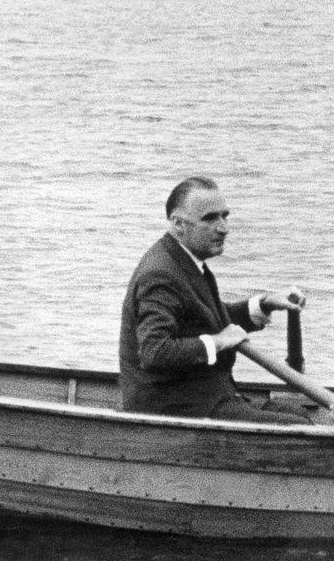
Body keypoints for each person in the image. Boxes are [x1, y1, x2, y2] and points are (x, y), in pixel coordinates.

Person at [119, 176, 312, 423]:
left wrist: (264, 303)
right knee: (297, 427)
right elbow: (155, 352)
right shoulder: (160, 274)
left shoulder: (185, 260)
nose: (223, 228)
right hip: (172, 407)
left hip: (206, 397)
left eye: (225, 216)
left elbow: (202, 319)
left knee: (296, 414)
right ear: (178, 224)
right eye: (210, 218)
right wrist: (219, 342)